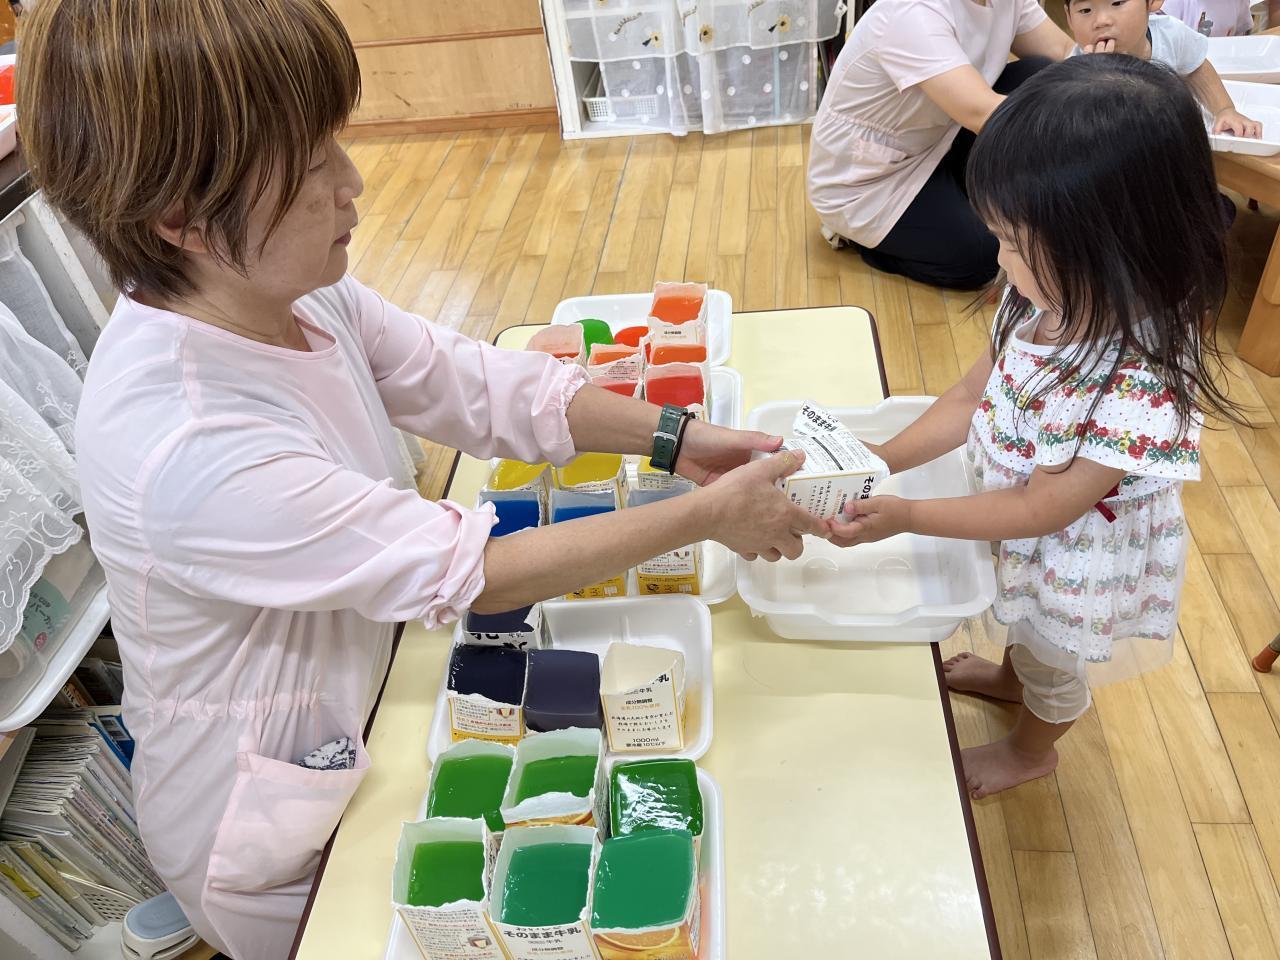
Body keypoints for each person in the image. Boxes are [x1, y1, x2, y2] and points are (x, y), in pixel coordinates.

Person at [17, 1, 830, 955]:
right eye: (313, 166)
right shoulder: (184, 442)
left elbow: (462, 379)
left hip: (373, 696)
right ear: (183, 221)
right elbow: (474, 569)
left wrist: (673, 437)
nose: (352, 182)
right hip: (275, 815)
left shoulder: (279, 290)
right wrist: (704, 515)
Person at [826, 55, 1244, 798]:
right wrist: (879, 457)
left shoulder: (1138, 378)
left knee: (1053, 656)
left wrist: (909, 516)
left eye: (1015, 242)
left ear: (1115, 243)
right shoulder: (1046, 294)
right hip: (1020, 521)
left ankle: (1030, 750)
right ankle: (1008, 677)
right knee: (1017, 617)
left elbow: (1044, 509)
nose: (999, 258)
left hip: (1074, 553)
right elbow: (970, 395)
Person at [807, 0, 1076, 290]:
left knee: (1041, 74)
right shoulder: (911, 12)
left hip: (939, 137)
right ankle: (864, 242)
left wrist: (1110, 72)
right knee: (983, 257)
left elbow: (1063, 51)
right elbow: (983, 113)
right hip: (870, 181)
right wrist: (1095, 122)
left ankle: (962, 198)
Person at [1065, 0, 1261, 137]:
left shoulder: (1171, 34)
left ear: (1152, 2)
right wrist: (1099, 78)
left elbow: (1197, 68)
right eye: (1085, 10)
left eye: (1117, 3)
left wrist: (1224, 109)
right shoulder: (1076, 69)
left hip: (1173, 144)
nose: (1101, 21)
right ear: (1069, 18)